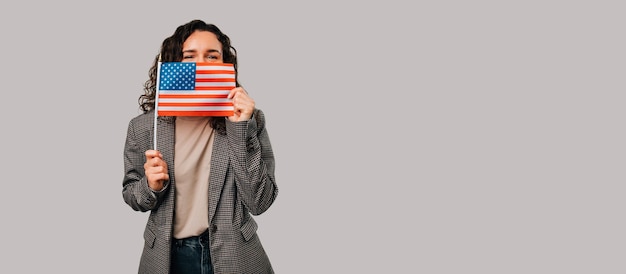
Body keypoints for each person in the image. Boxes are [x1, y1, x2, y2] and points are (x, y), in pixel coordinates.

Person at [122, 19, 278, 274]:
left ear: (225, 65)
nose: (200, 65)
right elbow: (132, 195)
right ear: (174, 63)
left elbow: (260, 202)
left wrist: (240, 128)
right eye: (189, 56)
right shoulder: (143, 128)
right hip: (169, 257)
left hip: (234, 254)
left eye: (212, 56)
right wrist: (150, 186)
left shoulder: (250, 120)